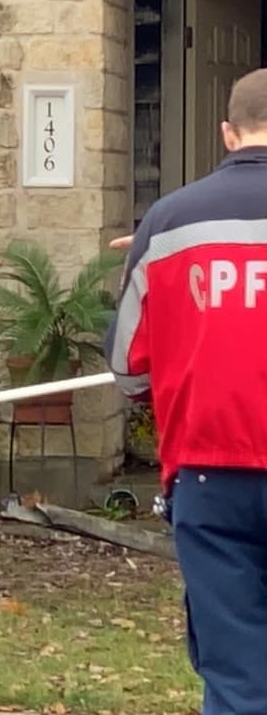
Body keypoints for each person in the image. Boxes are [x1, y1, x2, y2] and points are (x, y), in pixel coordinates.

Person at [105, 67, 267, 715]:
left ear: (227, 133)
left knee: (234, 673)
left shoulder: (168, 223)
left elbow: (126, 368)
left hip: (209, 471)